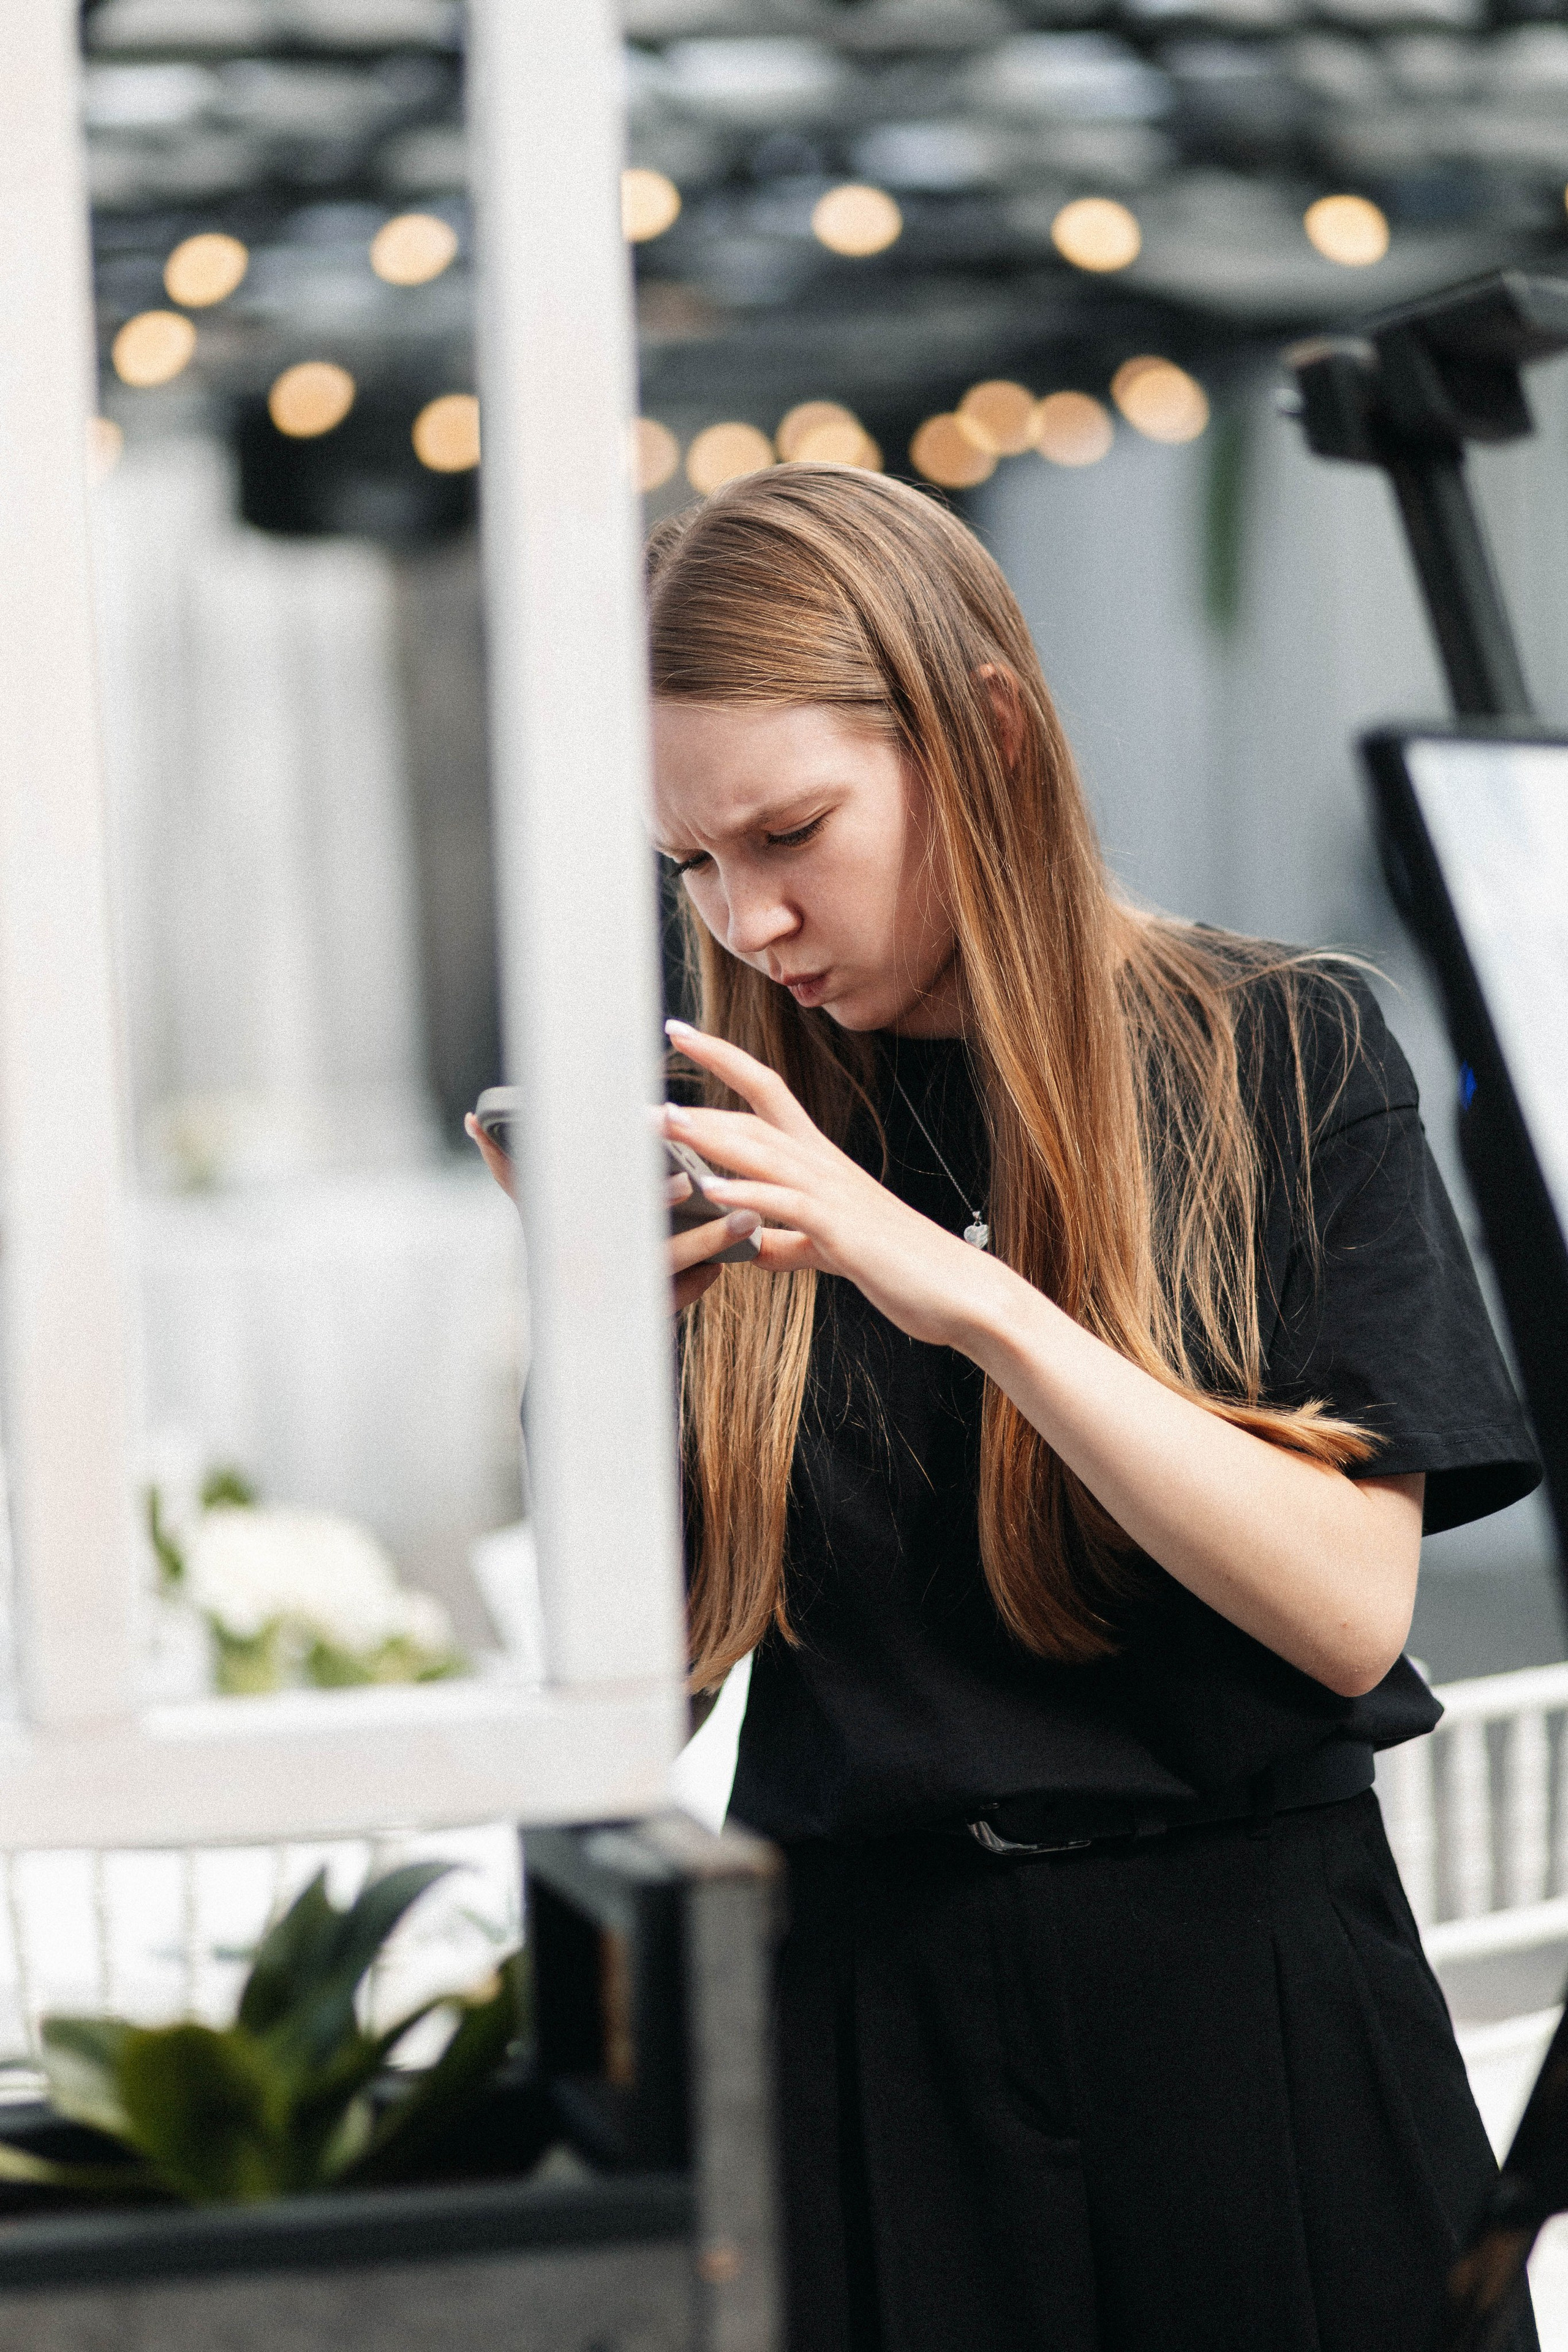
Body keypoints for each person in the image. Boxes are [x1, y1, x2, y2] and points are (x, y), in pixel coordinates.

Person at [475, 463, 1542, 2352]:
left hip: (1259, 2010)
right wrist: (596, 1353)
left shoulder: (1279, 1053)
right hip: (873, 2041)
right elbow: (632, 1694)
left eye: (791, 830)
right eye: (694, 863)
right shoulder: (743, 1141)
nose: (752, 913)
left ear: (980, 730)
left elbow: (1347, 1606)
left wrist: (962, 1295)